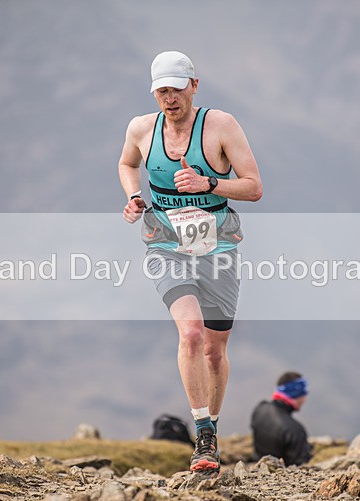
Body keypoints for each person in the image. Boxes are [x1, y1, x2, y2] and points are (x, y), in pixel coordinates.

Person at [119, 51, 262, 472]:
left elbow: (254, 188)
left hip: (218, 248)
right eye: (161, 90)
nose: (169, 98)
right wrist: (132, 196)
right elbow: (127, 163)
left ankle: (211, 430)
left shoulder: (221, 126)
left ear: (194, 86)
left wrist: (209, 182)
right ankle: (202, 436)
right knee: (192, 333)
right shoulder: (141, 129)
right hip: (165, 244)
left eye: (177, 89)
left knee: (216, 351)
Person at [250, 371, 312, 466]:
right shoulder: (295, 430)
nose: (305, 399)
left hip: (256, 466)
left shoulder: (260, 408)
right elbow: (299, 466)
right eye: (304, 393)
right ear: (296, 393)